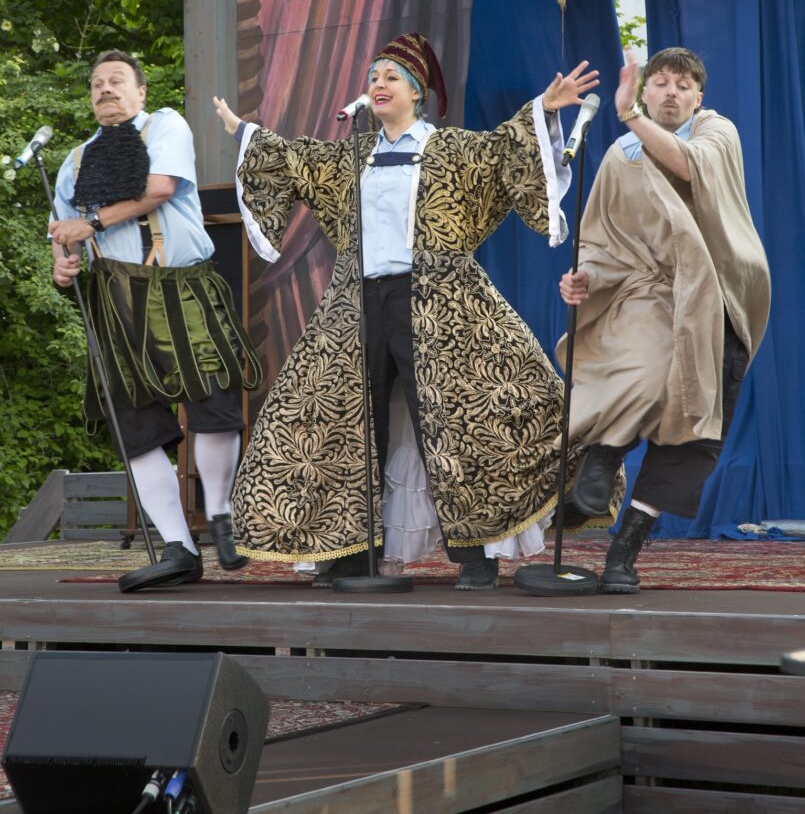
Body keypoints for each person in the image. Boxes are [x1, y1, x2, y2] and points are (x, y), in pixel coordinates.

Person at [214, 32, 604, 590]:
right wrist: (243, 132)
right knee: (347, 421)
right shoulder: (352, 156)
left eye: (391, 77)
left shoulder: (451, 149)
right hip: (359, 302)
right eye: (373, 76)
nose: (378, 84)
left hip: (442, 300)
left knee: (455, 422)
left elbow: (503, 152)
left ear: (417, 94)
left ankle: (475, 555)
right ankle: (353, 553)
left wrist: (543, 109)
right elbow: (293, 158)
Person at [558, 47, 771, 593]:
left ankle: (626, 547)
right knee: (641, 368)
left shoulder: (717, 132)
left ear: (699, 96)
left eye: (683, 85)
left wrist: (630, 115)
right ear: (646, 91)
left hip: (717, 299)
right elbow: (603, 243)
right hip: (648, 296)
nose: (671, 92)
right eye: (660, 83)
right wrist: (584, 279)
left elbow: (688, 166)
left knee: (695, 438)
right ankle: (601, 460)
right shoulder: (620, 155)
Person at [49, 49, 262, 591]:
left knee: (213, 402)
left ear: (140, 92)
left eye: (117, 81)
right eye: (97, 83)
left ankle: (220, 515)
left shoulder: (165, 124)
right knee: (136, 428)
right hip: (114, 302)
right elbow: (62, 236)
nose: (105, 89)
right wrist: (63, 266)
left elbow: (160, 189)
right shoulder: (73, 163)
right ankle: (178, 548)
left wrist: (89, 223)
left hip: (178, 287)